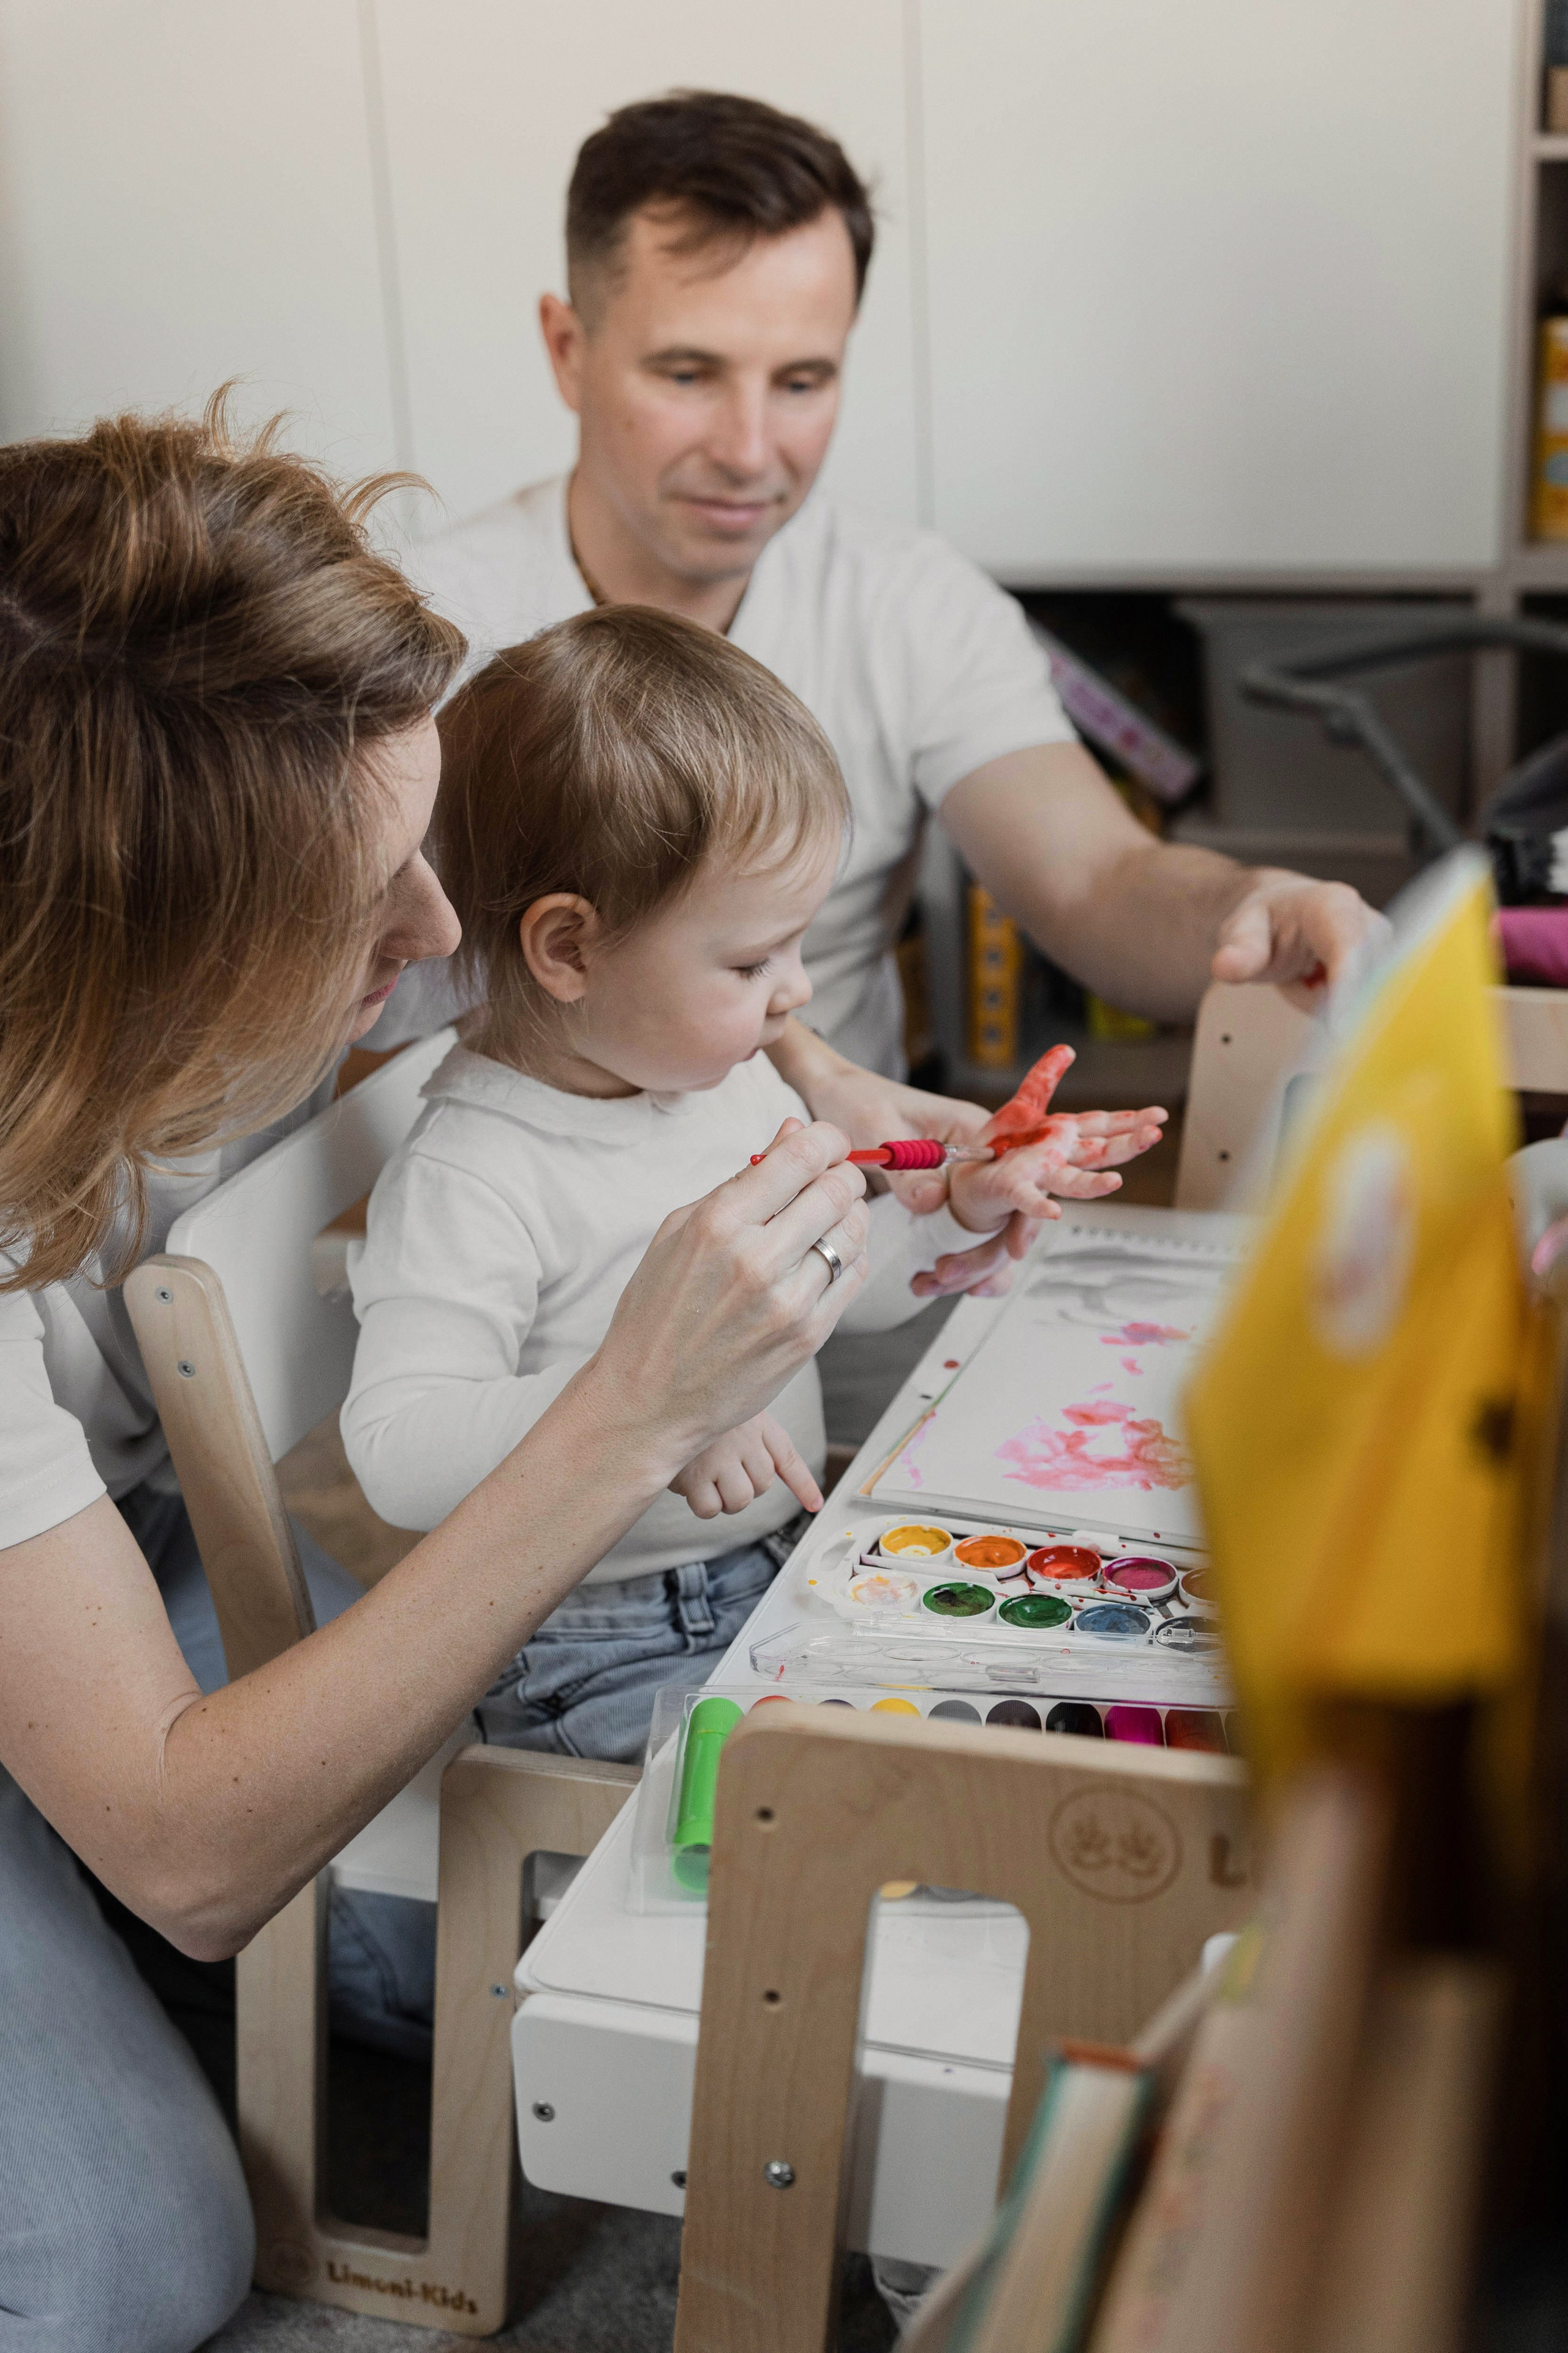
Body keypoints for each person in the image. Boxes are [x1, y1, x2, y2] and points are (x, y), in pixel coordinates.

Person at [0, 406, 881, 2353]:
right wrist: (630, 1412)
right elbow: (193, 1850)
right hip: (100, 1618)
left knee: (502, 1890)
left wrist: (800, 1082)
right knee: (115, 2262)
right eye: (367, 899)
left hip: (103, 1527)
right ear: (127, 955)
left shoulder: (157, 962)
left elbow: (599, 998)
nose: (436, 936)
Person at [398, 88, 1384, 1101]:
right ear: (569, 350)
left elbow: (1095, 879)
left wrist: (1255, 905)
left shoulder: (913, 603)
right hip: (521, 1229)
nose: (748, 451)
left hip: (843, 1198)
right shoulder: (411, 632)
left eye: (802, 382)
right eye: (689, 374)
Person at [341, 608, 1165, 1758]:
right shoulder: (476, 1172)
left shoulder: (722, 1087)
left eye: (798, 948)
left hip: (781, 1574)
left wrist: (956, 1217)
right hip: (592, 1635)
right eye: (749, 960)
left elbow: (819, 1295)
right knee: (814, 1831)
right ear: (569, 950)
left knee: (1006, 1741)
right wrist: (652, 1410)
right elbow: (397, 1452)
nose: (795, 998)